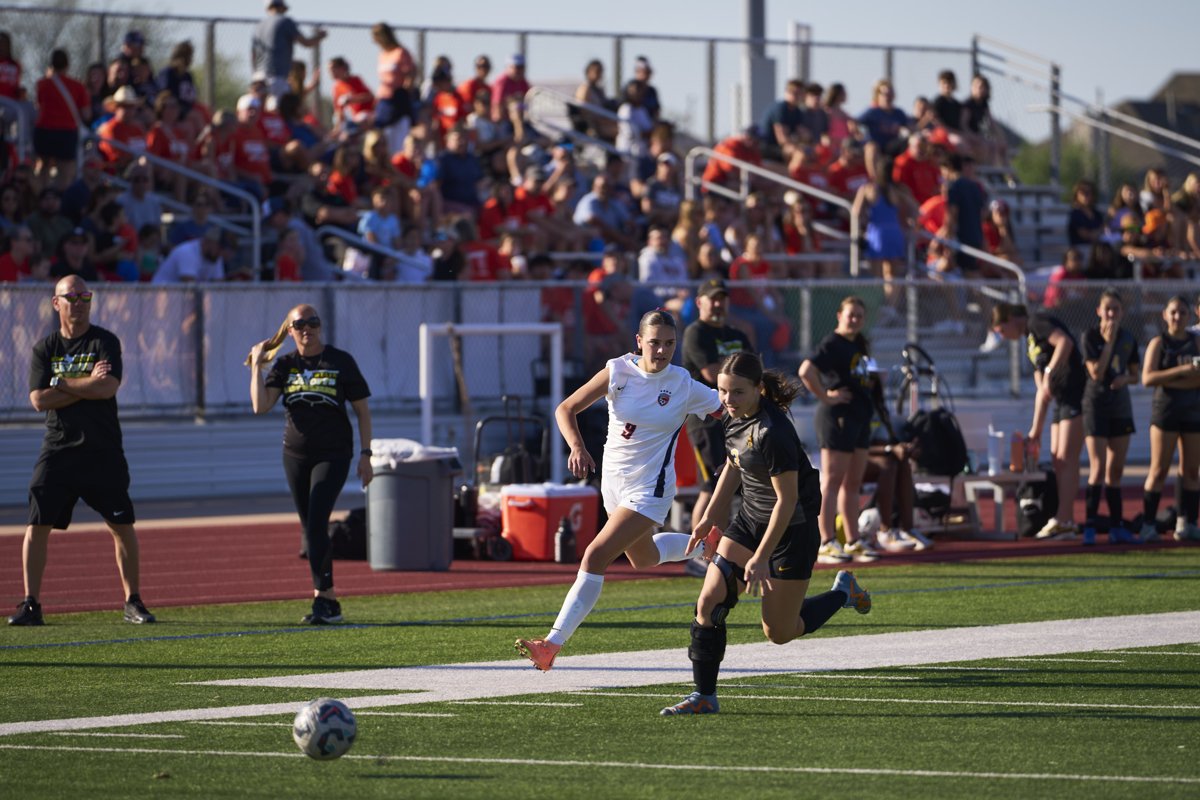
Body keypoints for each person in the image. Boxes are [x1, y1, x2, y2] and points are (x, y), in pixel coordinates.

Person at [659, 351, 871, 715]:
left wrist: (760, 558)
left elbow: (787, 503)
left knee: (779, 632)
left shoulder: (773, 432)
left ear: (758, 389)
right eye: (723, 391)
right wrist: (711, 516)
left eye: (737, 392)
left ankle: (842, 593)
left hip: (792, 531)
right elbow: (733, 465)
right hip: (750, 520)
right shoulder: (732, 416)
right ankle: (704, 696)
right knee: (709, 602)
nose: (727, 399)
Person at [514, 310, 725, 671]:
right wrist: (577, 447)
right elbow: (566, 408)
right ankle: (708, 547)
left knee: (595, 556)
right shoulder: (618, 370)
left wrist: (759, 430)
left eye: (669, 344)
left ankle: (551, 644)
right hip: (612, 485)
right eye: (655, 342)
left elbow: (729, 410)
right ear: (638, 341)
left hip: (650, 489)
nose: (661, 351)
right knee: (641, 558)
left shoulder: (683, 383)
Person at [9, 275, 156, 626]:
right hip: (58, 448)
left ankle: (132, 601)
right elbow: (38, 399)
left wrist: (63, 384)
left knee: (121, 525)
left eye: (85, 296)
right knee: (37, 523)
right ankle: (31, 603)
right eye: (71, 296)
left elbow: (108, 388)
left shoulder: (104, 341)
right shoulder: (45, 348)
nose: (79, 302)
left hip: (102, 449)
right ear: (56, 303)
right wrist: (86, 382)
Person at [247, 304, 373, 623]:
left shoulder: (340, 361)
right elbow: (260, 407)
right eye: (299, 324)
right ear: (289, 332)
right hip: (295, 455)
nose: (307, 329)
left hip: (334, 453)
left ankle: (324, 598)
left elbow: (362, 412)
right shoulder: (286, 364)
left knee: (317, 521)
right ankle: (327, 601)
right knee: (309, 529)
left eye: (313, 322)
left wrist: (366, 455)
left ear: (320, 327)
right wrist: (257, 367)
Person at [991, 303, 1086, 539]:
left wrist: (1049, 372)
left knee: (1067, 457)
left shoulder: (1036, 323)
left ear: (1012, 318)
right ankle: (1065, 519)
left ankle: (1065, 519)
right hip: (1060, 399)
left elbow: (1065, 342)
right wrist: (1036, 429)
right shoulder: (1030, 343)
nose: (1003, 336)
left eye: (1002, 330)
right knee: (1057, 460)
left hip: (1076, 393)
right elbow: (1042, 393)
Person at [798, 296, 881, 564]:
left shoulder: (859, 342)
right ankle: (826, 541)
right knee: (832, 481)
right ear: (839, 315)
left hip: (859, 417)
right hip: (838, 417)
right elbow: (806, 370)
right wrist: (826, 396)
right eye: (850, 314)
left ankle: (853, 540)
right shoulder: (832, 343)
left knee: (853, 483)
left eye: (859, 315)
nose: (855, 319)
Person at [681, 278, 752, 532]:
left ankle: (721, 549)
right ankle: (700, 549)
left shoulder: (737, 334)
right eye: (713, 299)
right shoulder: (696, 332)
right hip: (706, 421)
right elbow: (712, 374)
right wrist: (738, 368)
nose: (718, 304)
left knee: (733, 487)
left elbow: (755, 373)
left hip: (738, 421)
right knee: (712, 487)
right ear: (700, 302)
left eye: (722, 298)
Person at [1080, 288, 1140, 544]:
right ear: (1099, 311)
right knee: (1097, 467)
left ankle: (1117, 525)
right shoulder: (1090, 336)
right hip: (1096, 404)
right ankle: (1091, 525)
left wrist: (1125, 378)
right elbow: (1096, 372)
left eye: (1116, 309)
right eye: (1108, 309)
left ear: (1122, 312)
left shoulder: (1128, 337)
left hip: (1120, 405)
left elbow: (1135, 374)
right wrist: (1108, 343)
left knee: (1116, 470)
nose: (1112, 314)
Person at [1140, 296, 1200, 543]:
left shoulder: (1195, 342)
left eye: (1183, 313)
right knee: (1159, 469)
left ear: (1190, 316)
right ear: (1165, 314)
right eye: (1173, 312)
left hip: (1193, 410)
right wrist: (1182, 372)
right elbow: (1148, 378)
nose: (1178, 317)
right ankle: (1147, 524)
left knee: (1191, 470)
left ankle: (1187, 522)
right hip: (1165, 411)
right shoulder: (1159, 343)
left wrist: (1171, 379)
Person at [34, 49, 90, 190]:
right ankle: (59, 199)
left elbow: (38, 106)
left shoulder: (42, 84)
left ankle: (42, 195)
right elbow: (86, 114)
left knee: (43, 166)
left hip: (44, 130)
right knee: (65, 170)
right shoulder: (78, 86)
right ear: (67, 65)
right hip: (66, 132)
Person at [252, 0, 326, 99]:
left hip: (258, 76)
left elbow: (253, 54)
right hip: (277, 77)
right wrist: (320, 37)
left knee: (260, 112)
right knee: (281, 112)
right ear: (282, 7)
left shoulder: (259, 25)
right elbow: (305, 43)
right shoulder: (285, 22)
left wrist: (255, 72)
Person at [151, 226, 224, 283]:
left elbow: (219, 285)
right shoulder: (187, 252)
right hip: (161, 296)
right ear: (208, 242)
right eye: (219, 248)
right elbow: (189, 287)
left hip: (180, 298)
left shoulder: (216, 256)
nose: (221, 253)